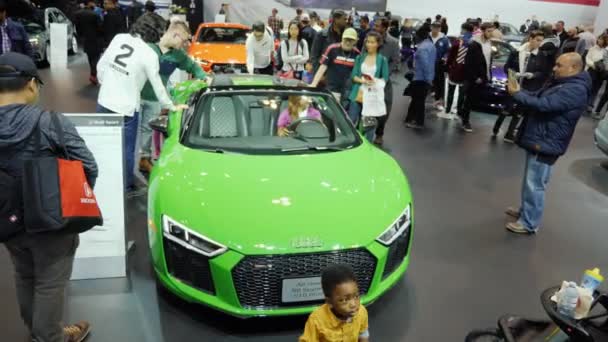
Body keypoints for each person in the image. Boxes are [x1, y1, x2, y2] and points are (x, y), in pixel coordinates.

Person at [0, 52, 97, 342]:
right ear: (31, 84)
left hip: (7, 221)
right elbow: (88, 166)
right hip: (52, 222)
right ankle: (50, 337)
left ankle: (38, 331)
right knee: (50, 282)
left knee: (24, 274)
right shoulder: (51, 122)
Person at [504, 53, 590, 234]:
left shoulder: (574, 89)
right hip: (541, 138)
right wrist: (520, 91)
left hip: (546, 142)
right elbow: (537, 95)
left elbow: (544, 104)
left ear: (573, 68)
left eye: (559, 65)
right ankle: (526, 211)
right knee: (531, 180)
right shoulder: (563, 83)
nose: (554, 68)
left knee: (535, 183)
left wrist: (517, 94)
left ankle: (529, 223)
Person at [96, 23, 181, 193]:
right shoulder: (149, 53)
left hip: (104, 101)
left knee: (102, 144)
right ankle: (126, 186)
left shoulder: (119, 37)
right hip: (126, 107)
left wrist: (107, 85)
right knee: (126, 149)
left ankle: (102, 181)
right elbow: (158, 86)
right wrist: (171, 106)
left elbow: (101, 66)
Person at [138, 21, 206, 173]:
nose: (184, 45)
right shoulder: (148, 48)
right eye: (183, 40)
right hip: (134, 96)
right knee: (128, 132)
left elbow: (193, 66)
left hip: (155, 98)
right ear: (175, 35)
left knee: (148, 129)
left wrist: (205, 77)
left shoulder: (178, 55)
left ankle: (144, 158)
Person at [493, 31, 553, 142]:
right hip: (513, 84)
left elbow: (543, 72)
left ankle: (509, 134)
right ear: (531, 38)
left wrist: (533, 75)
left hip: (528, 87)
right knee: (507, 108)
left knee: (519, 111)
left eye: (541, 41)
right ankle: (496, 129)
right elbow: (507, 67)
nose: (539, 43)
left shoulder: (541, 56)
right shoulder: (517, 52)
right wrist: (512, 74)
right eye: (537, 40)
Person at [299, 264, 369, 342]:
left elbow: (363, 333)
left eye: (356, 296)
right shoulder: (316, 320)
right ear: (329, 301)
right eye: (344, 300)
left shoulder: (361, 312)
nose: (353, 304)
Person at [347, 31, 389, 141]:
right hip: (358, 94)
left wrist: (375, 81)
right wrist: (363, 81)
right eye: (368, 42)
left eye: (372, 42)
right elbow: (353, 76)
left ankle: (368, 148)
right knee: (351, 121)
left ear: (378, 44)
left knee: (369, 126)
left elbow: (385, 78)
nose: (369, 44)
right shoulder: (360, 58)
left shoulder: (382, 60)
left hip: (372, 97)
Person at [368, 17, 400, 145]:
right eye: (374, 25)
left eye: (377, 26)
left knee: (384, 108)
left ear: (385, 28)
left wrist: (384, 74)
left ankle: (379, 133)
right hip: (368, 79)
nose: (374, 28)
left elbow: (395, 61)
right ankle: (366, 133)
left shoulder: (393, 42)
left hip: (383, 81)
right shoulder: (369, 38)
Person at [458, 22, 494, 133]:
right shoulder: (474, 44)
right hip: (474, 78)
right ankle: (465, 121)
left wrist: (488, 75)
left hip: (483, 76)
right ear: (483, 31)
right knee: (469, 99)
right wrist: (474, 77)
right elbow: (468, 63)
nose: (491, 33)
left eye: (492, 31)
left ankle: (464, 115)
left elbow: (488, 61)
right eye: (489, 31)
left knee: (473, 99)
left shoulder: (489, 43)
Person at [311, 28, 360, 103]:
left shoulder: (357, 54)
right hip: (332, 89)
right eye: (346, 39)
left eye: (351, 40)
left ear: (356, 41)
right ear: (342, 38)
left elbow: (357, 72)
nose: (348, 42)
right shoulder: (332, 49)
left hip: (348, 91)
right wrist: (314, 84)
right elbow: (323, 67)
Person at [404, 28, 436, 129]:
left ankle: (418, 122)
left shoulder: (422, 48)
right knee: (416, 99)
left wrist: (428, 79)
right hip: (426, 76)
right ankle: (409, 118)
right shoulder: (431, 45)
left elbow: (425, 64)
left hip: (420, 78)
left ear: (419, 36)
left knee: (419, 101)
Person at [441, 22, 474, 119]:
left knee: (451, 91)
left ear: (463, 29)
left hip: (456, 69)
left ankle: (447, 110)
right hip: (466, 71)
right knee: (462, 93)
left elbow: (451, 56)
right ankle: (459, 111)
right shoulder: (474, 41)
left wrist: (447, 67)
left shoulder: (459, 40)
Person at [74, 0, 102, 85]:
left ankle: (92, 74)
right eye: (93, 2)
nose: (94, 4)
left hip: (85, 39)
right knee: (96, 57)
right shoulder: (95, 15)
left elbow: (77, 27)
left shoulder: (77, 14)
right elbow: (100, 28)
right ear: (90, 3)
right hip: (96, 38)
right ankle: (93, 75)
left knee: (90, 56)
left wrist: (81, 36)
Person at [430, 21, 451, 113]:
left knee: (439, 84)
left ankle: (438, 102)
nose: (436, 29)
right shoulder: (427, 37)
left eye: (438, 27)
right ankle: (417, 98)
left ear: (440, 28)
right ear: (431, 27)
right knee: (423, 82)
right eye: (434, 27)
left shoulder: (444, 39)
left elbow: (448, 51)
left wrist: (445, 57)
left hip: (439, 65)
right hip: (426, 63)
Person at [585, 34, 608, 112]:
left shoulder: (605, 51)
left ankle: (590, 105)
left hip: (601, 73)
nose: (599, 40)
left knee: (596, 89)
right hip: (592, 71)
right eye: (599, 38)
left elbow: (606, 62)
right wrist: (593, 65)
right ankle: (585, 103)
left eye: (602, 39)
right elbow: (587, 59)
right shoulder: (592, 49)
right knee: (588, 88)